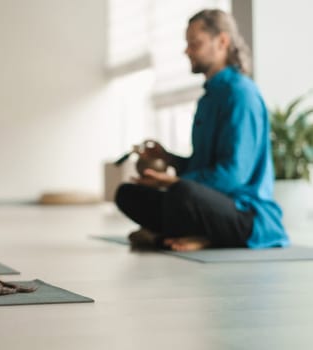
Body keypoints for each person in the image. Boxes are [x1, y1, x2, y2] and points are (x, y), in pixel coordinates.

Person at [115, 9, 289, 251]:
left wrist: (175, 181)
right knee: (127, 193)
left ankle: (185, 237)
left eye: (194, 44)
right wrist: (170, 159)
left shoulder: (240, 94)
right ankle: (197, 234)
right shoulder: (208, 98)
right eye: (187, 44)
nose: (187, 51)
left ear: (222, 42)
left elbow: (232, 176)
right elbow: (203, 170)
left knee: (183, 191)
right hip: (207, 205)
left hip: (245, 214)